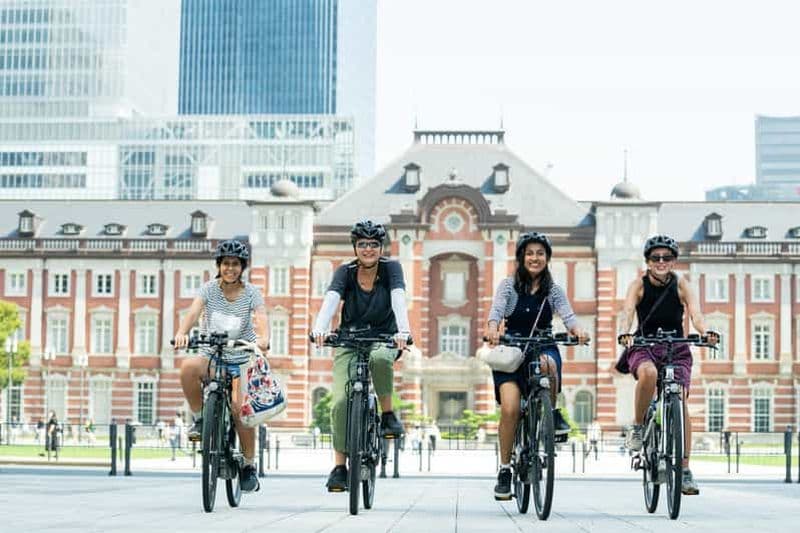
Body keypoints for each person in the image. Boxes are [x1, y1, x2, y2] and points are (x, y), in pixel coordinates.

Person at [486, 231, 590, 500]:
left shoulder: (553, 290)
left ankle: (550, 413)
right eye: (530, 253)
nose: (535, 258)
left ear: (547, 258)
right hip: (511, 348)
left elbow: (568, 316)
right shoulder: (508, 286)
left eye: (540, 254)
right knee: (509, 408)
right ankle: (505, 469)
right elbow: (496, 313)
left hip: (543, 344)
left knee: (549, 365)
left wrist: (578, 330)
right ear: (521, 257)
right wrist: (492, 330)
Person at [311, 220, 412, 492]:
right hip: (350, 339)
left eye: (374, 244)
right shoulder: (345, 271)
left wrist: (404, 331)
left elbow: (398, 298)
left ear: (381, 247)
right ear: (355, 247)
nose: (368, 249)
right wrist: (320, 329)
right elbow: (331, 299)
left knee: (380, 360)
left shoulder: (392, 269)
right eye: (362, 244)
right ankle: (339, 467)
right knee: (341, 401)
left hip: (384, 337)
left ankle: (388, 415)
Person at [618, 234, 718, 496]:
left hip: (676, 347)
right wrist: (625, 332)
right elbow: (627, 312)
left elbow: (696, 314)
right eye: (656, 258)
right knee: (648, 374)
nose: (661, 262)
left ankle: (684, 469)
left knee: (681, 401)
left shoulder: (682, 284)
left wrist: (706, 331)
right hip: (644, 345)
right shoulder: (637, 285)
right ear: (648, 262)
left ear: (673, 261)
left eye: (667, 258)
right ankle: (638, 428)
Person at [173, 239, 270, 493]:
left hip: (240, 359)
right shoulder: (209, 289)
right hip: (212, 357)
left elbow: (261, 318)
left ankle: (249, 465)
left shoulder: (251, 293)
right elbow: (193, 312)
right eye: (226, 263)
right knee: (187, 369)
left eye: (235, 264)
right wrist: (182, 332)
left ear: (242, 267)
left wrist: (264, 338)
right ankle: (200, 419)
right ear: (219, 266)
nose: (230, 268)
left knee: (241, 409)